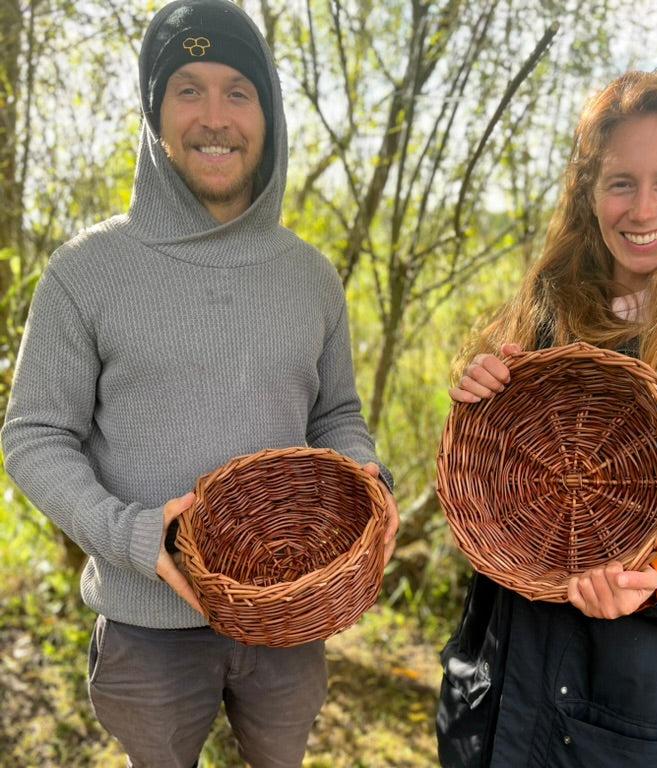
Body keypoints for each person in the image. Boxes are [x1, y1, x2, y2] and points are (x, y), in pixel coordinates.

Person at [1, 1, 398, 766]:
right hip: (146, 630)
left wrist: (362, 477)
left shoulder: (311, 277)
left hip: (288, 621)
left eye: (237, 92)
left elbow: (338, 414)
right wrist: (135, 538)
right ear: (155, 112)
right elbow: (33, 435)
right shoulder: (86, 271)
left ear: (268, 116)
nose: (215, 117)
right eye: (188, 88)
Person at [436, 70, 657, 768]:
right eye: (620, 182)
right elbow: (506, 496)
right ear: (589, 194)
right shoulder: (552, 307)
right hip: (496, 705)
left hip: (627, 724)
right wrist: (481, 409)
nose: (642, 208)